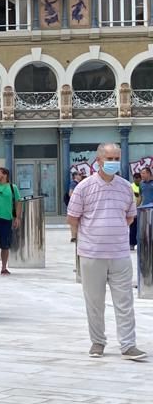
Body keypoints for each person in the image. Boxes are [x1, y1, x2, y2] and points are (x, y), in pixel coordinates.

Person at [67, 143, 145, 360]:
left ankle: (128, 345)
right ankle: (98, 342)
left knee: (125, 301)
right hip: (92, 254)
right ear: (98, 161)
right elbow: (72, 218)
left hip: (119, 253)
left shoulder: (125, 187)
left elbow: (129, 217)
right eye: (109, 158)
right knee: (94, 301)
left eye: (116, 158)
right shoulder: (84, 187)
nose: (113, 162)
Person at [130, 172, 141, 250]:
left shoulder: (142, 186)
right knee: (133, 228)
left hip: (142, 210)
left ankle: (141, 243)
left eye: (138, 178)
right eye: (135, 178)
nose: (136, 179)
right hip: (134, 210)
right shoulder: (130, 186)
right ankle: (132, 244)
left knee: (142, 228)